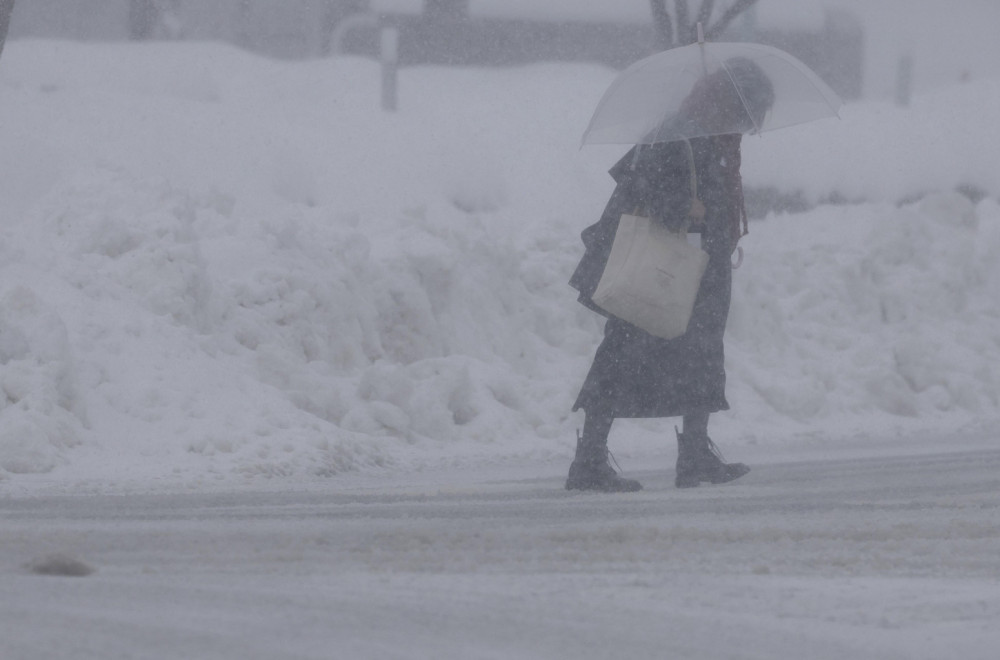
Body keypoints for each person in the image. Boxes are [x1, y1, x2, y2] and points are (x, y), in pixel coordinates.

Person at [567, 58, 774, 492]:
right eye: (751, 113)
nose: (753, 126)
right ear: (733, 102)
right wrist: (687, 209)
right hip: (660, 268)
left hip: (698, 266)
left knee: (699, 358)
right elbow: (641, 187)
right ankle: (588, 461)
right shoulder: (677, 131)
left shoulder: (716, 134)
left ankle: (695, 455)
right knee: (622, 356)